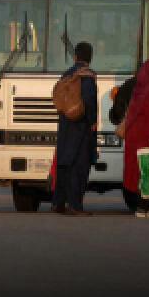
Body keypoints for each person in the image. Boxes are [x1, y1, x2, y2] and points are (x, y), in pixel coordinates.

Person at [51, 42, 98, 216]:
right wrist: (93, 121)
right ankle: (76, 205)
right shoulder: (88, 75)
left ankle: (58, 202)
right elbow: (89, 99)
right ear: (90, 58)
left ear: (75, 57)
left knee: (63, 164)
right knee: (80, 166)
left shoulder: (67, 74)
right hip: (81, 127)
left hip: (65, 125)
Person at [122, 58, 149, 217]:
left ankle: (140, 207)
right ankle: (145, 207)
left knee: (138, 171)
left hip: (134, 137)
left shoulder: (138, 91)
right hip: (146, 137)